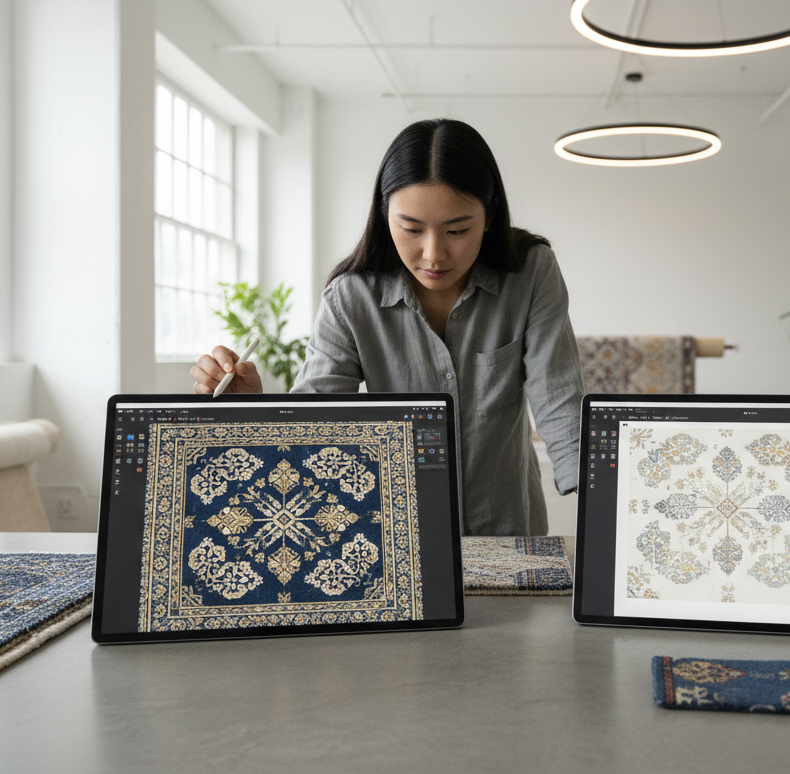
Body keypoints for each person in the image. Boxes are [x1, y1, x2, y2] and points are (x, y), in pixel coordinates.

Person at [192, 119, 584, 536]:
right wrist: (250, 408)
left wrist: (601, 502)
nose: (433, 254)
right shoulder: (351, 296)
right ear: (385, 216)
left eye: (457, 230)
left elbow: (558, 400)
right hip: (396, 532)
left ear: (489, 217)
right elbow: (315, 427)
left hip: (507, 528)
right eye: (411, 229)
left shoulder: (530, 272)